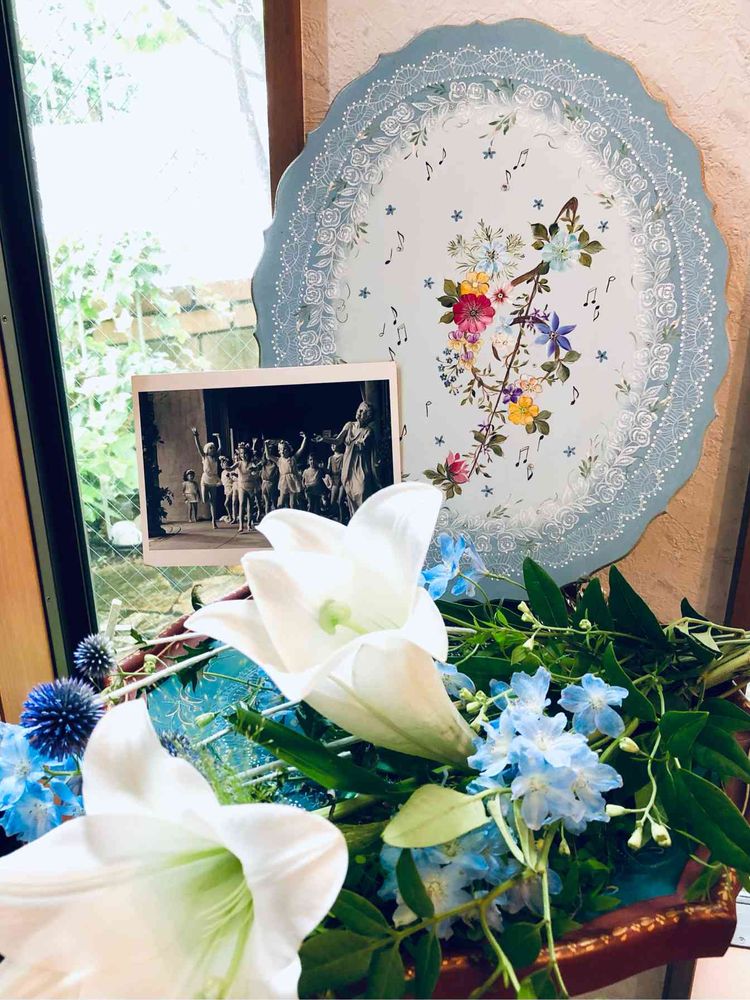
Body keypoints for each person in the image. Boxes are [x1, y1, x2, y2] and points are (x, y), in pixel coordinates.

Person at [318, 402, 381, 514]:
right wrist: (323, 439)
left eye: (363, 411)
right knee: (351, 497)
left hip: (361, 467)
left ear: (368, 416)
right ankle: (355, 519)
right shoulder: (349, 425)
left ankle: (364, 518)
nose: (359, 412)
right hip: (348, 467)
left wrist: (362, 443)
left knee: (361, 492)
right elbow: (338, 440)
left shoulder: (368, 431)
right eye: (359, 409)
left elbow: (365, 445)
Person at [265, 433, 307, 510]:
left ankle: (293, 515)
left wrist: (305, 438)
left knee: (293, 504)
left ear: (288, 450)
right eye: (280, 450)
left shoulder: (293, 458)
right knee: (280, 503)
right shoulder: (279, 460)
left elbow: (301, 449)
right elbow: (268, 456)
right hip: (284, 482)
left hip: (293, 482)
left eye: (284, 449)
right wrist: (266, 445)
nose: (283, 451)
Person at [191, 427, 221, 528]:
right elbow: (198, 447)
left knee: (213, 502)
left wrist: (218, 438)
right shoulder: (204, 457)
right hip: (205, 480)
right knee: (204, 500)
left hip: (213, 479)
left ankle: (213, 521)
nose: (212, 449)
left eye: (213, 447)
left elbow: (220, 448)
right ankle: (212, 517)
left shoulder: (215, 458)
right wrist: (196, 436)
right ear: (207, 450)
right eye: (210, 448)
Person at [326, 442, 346, 523]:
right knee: (332, 501)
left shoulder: (343, 456)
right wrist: (323, 468)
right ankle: (337, 515)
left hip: (342, 479)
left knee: (340, 500)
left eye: (335, 444)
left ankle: (342, 519)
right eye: (332, 445)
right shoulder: (330, 458)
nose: (333, 446)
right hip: (334, 480)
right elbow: (328, 470)